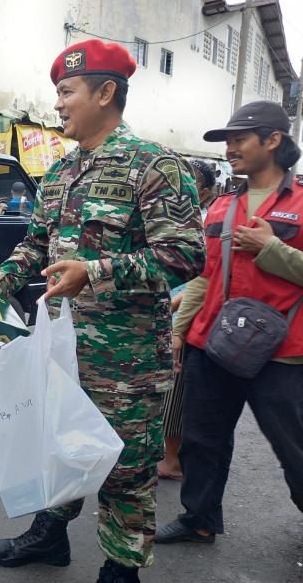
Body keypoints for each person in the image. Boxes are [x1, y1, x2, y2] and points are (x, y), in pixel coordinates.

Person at [0, 39, 205, 583]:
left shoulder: (153, 166)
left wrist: (97, 271)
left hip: (126, 358)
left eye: (66, 92)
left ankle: (121, 567)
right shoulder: (59, 173)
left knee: (125, 467)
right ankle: (50, 536)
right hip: (63, 345)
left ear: (106, 93)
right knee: (57, 441)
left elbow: (185, 254)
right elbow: (36, 243)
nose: (57, 105)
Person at [156, 101, 303, 545]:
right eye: (228, 142)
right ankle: (199, 518)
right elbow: (203, 274)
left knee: (293, 445)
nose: (230, 150)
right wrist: (181, 330)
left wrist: (270, 248)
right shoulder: (220, 206)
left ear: (273, 140)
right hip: (211, 343)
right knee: (202, 440)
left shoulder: (300, 202)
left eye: (239, 139)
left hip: (282, 352)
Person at [157, 159, 217, 481]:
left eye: (186, 182)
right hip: (174, 312)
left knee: (175, 392)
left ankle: (172, 459)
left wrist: (176, 313)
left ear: (203, 192)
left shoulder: (206, 223)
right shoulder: (176, 219)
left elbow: (203, 281)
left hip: (188, 318)